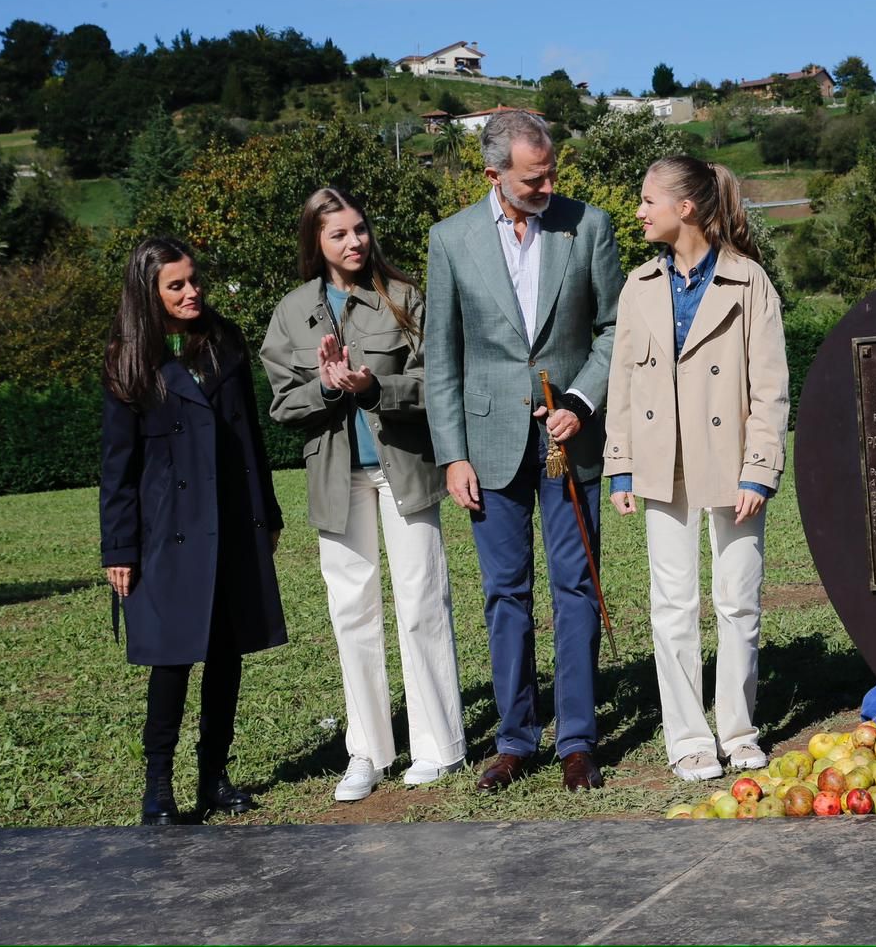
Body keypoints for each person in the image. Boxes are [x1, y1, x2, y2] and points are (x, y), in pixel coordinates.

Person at [423, 109, 624, 793]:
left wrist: (579, 403)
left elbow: (612, 329)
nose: (549, 186)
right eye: (535, 178)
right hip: (488, 448)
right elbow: (442, 359)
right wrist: (452, 454)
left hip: (572, 446)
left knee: (574, 590)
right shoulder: (449, 241)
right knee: (504, 593)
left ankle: (575, 739)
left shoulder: (589, 226)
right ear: (493, 173)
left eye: (552, 174)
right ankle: (514, 739)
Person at [260, 186, 464, 801]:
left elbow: (439, 383)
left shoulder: (404, 299)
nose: (354, 243)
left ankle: (438, 747)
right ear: (315, 243)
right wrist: (326, 388)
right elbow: (279, 404)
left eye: (359, 230)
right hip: (335, 476)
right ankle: (368, 752)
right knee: (352, 613)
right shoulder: (292, 312)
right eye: (338, 235)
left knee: (422, 601)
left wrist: (376, 386)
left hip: (403, 469)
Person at [603, 155, 790, 782]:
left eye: (647, 199)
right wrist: (621, 467)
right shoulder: (638, 287)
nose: (638, 210)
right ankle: (688, 738)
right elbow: (623, 383)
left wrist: (759, 470)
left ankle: (738, 731)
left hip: (733, 466)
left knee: (738, 601)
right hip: (662, 466)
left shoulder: (749, 282)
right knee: (672, 606)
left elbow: (771, 390)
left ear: (685, 207)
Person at [100, 237, 288, 826]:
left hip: (230, 519)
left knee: (227, 653)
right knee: (172, 658)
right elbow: (117, 466)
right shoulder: (128, 359)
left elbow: (249, 439)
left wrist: (269, 514)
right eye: (175, 285)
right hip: (166, 532)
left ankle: (214, 774)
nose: (191, 292)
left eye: (193, 280)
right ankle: (158, 785)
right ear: (148, 293)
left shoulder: (225, 343)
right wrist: (119, 548)